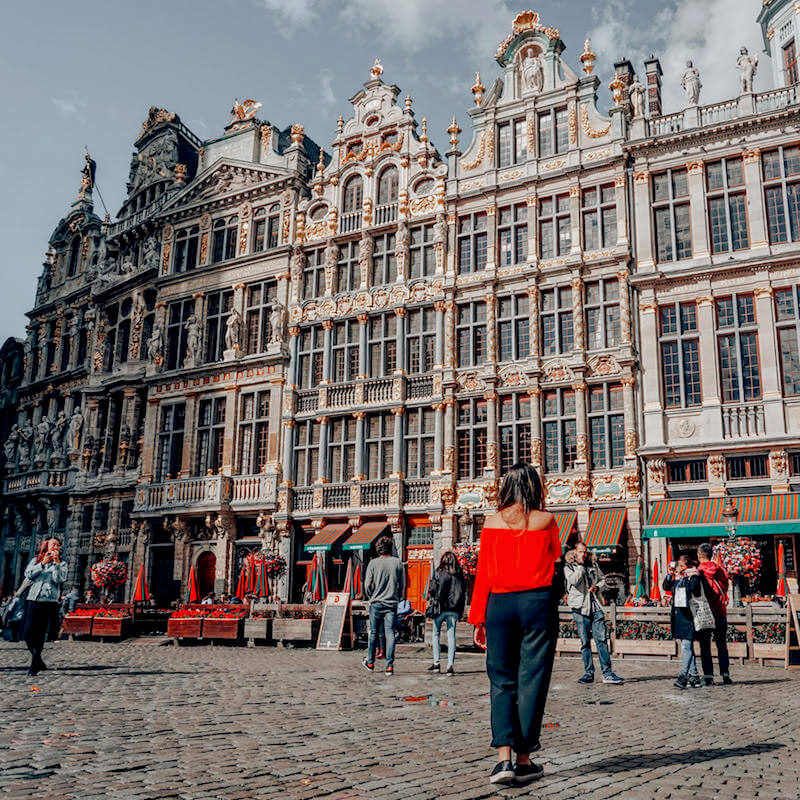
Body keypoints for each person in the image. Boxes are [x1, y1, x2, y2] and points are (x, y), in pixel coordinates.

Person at [467, 463, 562, 786]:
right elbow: (554, 558)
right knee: (532, 679)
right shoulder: (548, 521)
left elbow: (483, 574)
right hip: (537, 603)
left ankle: (503, 759)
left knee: (501, 679)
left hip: (500, 603)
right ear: (535, 487)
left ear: (505, 487)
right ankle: (525, 759)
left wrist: (478, 617)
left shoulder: (491, 523)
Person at [564, 542, 623, 685]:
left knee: (601, 640)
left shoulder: (594, 565)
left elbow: (603, 580)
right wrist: (580, 568)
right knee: (585, 643)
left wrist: (597, 587)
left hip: (596, 607)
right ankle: (588, 673)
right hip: (580, 608)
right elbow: (572, 580)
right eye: (580, 552)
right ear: (575, 552)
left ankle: (607, 673)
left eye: (585, 552)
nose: (583, 554)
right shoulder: (569, 567)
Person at [21, 537, 68, 675]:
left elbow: (59, 579)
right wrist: (42, 563)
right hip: (34, 600)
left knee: (40, 633)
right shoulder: (36, 560)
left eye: (58, 545)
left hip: (49, 602)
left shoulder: (62, 564)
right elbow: (28, 575)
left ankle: (34, 664)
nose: (56, 547)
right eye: (53, 544)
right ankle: (39, 660)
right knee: (28, 634)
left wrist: (57, 563)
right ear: (46, 545)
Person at [362, 535, 405, 676]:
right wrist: (399, 596)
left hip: (376, 603)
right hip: (391, 603)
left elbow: (367, 584)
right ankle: (389, 666)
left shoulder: (373, 563)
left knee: (373, 633)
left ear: (378, 549)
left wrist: (371, 595)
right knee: (390, 634)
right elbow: (403, 584)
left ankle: (370, 662)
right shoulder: (397, 562)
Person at [663, 554, 703, 689]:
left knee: (686, 646)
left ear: (688, 566)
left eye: (681, 565)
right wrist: (670, 575)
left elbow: (691, 590)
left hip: (689, 616)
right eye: (678, 565)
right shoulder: (678, 579)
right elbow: (666, 587)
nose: (678, 568)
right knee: (686, 647)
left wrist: (684, 577)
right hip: (679, 616)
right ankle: (694, 676)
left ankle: (683, 675)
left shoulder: (694, 576)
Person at [425, 550, 467, 675]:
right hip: (453, 608)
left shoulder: (439, 572)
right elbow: (463, 592)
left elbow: (432, 589)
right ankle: (450, 665)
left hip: (440, 607)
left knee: (436, 633)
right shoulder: (459, 574)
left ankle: (436, 662)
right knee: (451, 637)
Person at [697, 543, 732, 685]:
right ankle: (725, 674)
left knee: (705, 646)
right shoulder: (721, 571)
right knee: (722, 645)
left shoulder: (698, 572)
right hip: (720, 611)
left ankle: (708, 676)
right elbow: (725, 588)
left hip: (705, 612)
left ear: (700, 556)